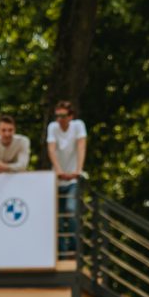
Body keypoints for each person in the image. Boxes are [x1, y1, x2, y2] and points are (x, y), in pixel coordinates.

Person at [46, 99, 87, 253]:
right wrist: (58, 171)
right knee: (58, 217)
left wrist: (78, 170)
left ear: (71, 116)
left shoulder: (78, 126)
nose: (59, 120)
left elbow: (81, 147)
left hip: (73, 179)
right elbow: (51, 149)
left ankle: (75, 250)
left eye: (63, 116)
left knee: (70, 210)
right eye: (57, 116)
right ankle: (62, 252)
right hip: (57, 180)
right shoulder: (53, 127)